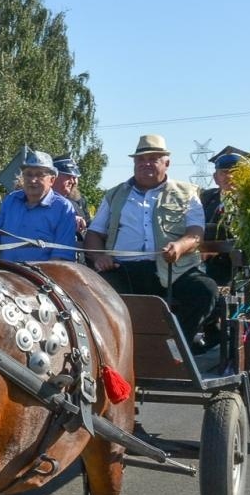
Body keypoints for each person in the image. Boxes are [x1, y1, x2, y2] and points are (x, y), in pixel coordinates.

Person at [84, 134, 218, 349]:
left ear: (167, 163)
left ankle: (176, 349)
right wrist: (100, 257)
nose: (145, 163)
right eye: (140, 159)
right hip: (123, 269)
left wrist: (179, 246)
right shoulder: (114, 194)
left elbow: (195, 233)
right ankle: (108, 350)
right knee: (89, 292)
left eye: (153, 159)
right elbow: (94, 233)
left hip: (172, 270)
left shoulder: (187, 193)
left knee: (205, 290)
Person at [0, 147, 81, 264]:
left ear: (52, 180)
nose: (32, 180)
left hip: (40, 274)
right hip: (4, 272)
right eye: (28, 174)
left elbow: (61, 256)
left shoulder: (63, 208)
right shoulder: (11, 200)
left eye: (39, 175)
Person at [198, 146, 246, 286]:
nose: (229, 177)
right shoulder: (206, 198)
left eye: (235, 172)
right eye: (224, 172)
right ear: (215, 177)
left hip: (243, 267)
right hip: (208, 264)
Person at [51, 155, 89, 233]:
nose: (73, 181)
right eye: (69, 176)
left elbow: (89, 226)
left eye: (75, 177)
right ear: (54, 177)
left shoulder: (78, 202)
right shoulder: (37, 198)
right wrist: (68, 220)